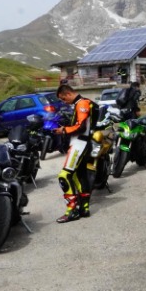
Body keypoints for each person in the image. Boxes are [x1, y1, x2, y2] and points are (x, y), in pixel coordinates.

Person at [54, 84, 96, 223]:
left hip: (80, 143)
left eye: (63, 99)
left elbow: (81, 126)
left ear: (68, 94)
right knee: (79, 176)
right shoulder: (81, 103)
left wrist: (64, 130)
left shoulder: (82, 103)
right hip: (82, 143)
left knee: (64, 176)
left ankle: (72, 210)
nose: (64, 102)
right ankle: (84, 208)